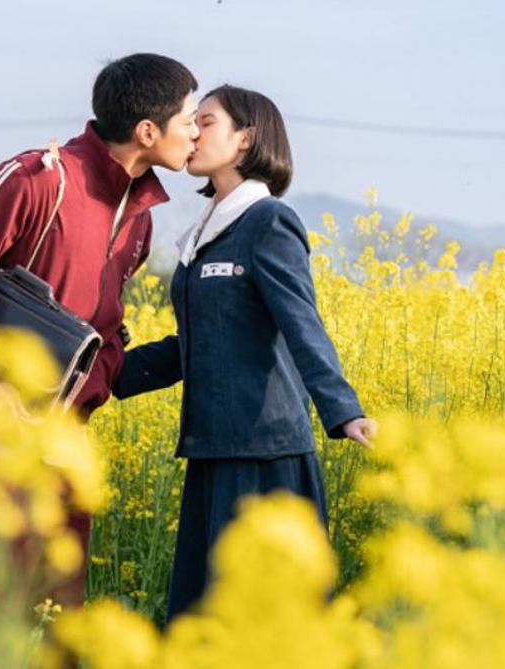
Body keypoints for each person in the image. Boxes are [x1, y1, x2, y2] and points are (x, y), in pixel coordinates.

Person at [0, 53, 201, 611]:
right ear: (147, 131)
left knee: (56, 611)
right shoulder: (39, 178)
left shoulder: (141, 217)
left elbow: (107, 320)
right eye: (189, 118)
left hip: (63, 444)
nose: (196, 131)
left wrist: (99, 378)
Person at [112, 84, 377, 623]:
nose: (190, 131)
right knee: (204, 620)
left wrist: (343, 409)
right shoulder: (203, 234)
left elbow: (301, 324)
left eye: (205, 122)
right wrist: (108, 373)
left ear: (244, 140)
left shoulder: (267, 223)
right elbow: (202, 343)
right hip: (212, 451)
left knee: (268, 621)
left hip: (265, 453)